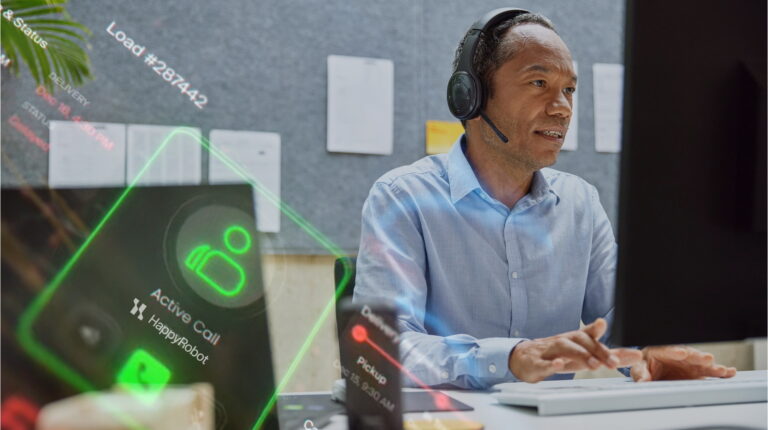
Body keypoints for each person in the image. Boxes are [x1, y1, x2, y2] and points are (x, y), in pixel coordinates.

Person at [353, 10, 737, 389]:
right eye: (539, 82)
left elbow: (617, 321)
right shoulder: (403, 198)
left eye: (569, 89)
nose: (562, 107)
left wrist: (650, 351)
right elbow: (380, 349)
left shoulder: (580, 202)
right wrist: (510, 358)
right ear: (471, 96)